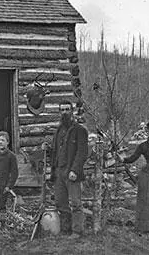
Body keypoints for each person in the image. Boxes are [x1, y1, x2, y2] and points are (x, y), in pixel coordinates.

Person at [49, 100, 88, 238]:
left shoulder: (80, 130)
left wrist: (75, 170)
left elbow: (82, 153)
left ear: (72, 111)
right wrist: (46, 149)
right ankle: (65, 229)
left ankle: (77, 231)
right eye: (62, 110)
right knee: (60, 202)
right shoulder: (58, 131)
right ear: (59, 112)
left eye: (67, 109)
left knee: (76, 203)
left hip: (71, 172)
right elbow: (55, 151)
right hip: (59, 172)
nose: (64, 112)